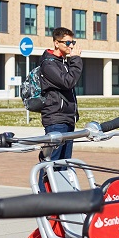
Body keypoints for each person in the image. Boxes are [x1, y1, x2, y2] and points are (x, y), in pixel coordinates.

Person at [38, 27, 83, 163]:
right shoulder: (48, 65)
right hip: (56, 120)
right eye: (67, 43)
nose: (71, 46)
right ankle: (42, 185)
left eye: (72, 42)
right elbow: (68, 82)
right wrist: (76, 59)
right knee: (51, 163)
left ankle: (60, 185)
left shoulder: (63, 63)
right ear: (56, 43)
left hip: (67, 119)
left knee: (64, 163)